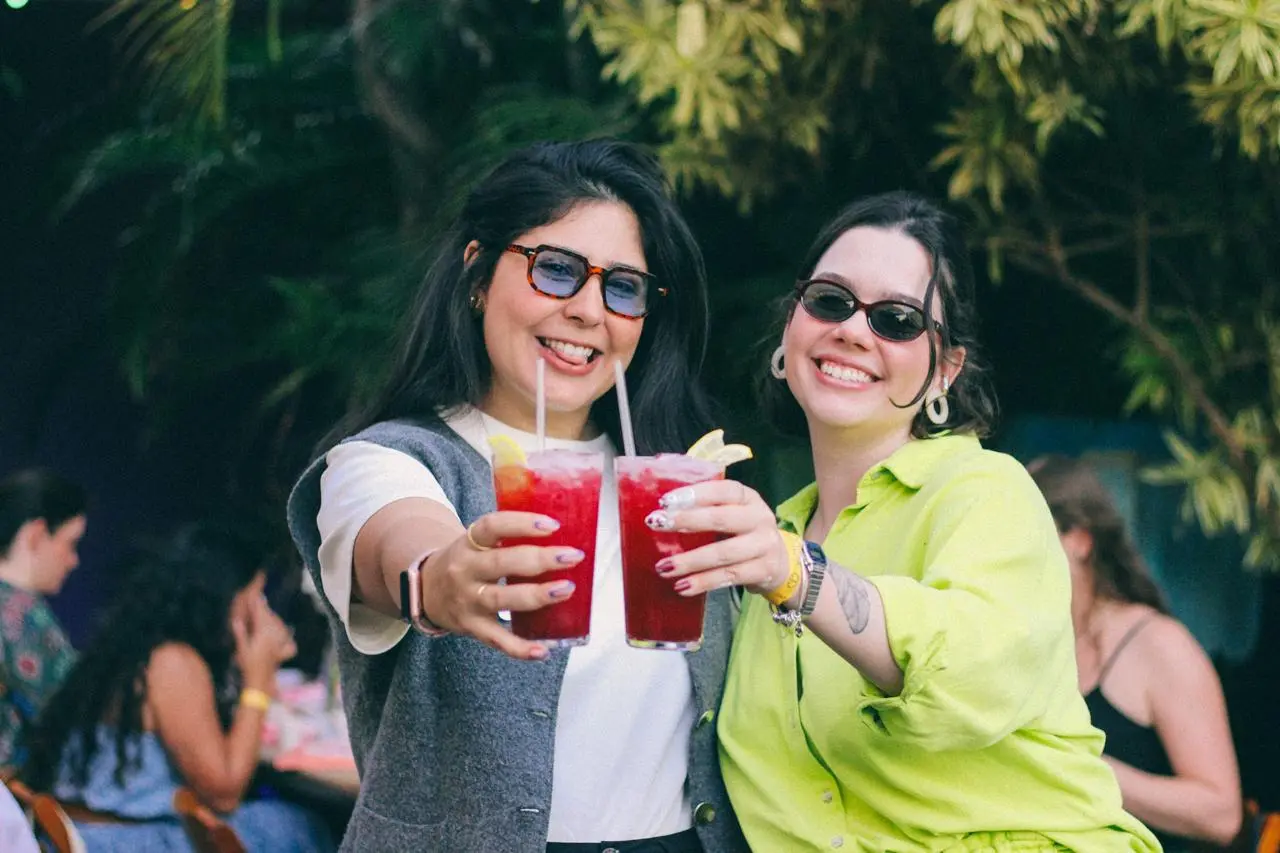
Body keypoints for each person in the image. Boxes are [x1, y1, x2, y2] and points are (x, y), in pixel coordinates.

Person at [649, 191, 1162, 851]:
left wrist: (795, 575)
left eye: (897, 319)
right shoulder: (768, 539)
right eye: (830, 300)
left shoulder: (987, 491)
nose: (853, 331)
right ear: (790, 327)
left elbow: (969, 673)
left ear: (945, 369)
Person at [286, 139, 746, 852]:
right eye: (556, 269)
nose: (589, 310)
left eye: (623, 287)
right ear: (477, 273)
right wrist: (440, 579)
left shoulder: (680, 484)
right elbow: (398, 537)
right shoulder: (384, 461)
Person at [20, 523, 335, 853]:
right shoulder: (173, 662)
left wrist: (258, 670)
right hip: (124, 841)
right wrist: (258, 677)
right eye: (256, 596)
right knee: (302, 827)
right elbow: (224, 793)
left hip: (94, 835)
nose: (262, 610)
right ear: (224, 600)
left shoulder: (139, 650)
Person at [1028, 454, 1242, 850]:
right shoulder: (1031, 642)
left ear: (1080, 540)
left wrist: (1085, 768)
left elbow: (1222, 815)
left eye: (1024, 536)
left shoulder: (1158, 644)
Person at [0, 468, 86, 769]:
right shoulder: (23, 619)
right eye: (71, 543)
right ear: (36, 534)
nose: (74, 561)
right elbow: (74, 712)